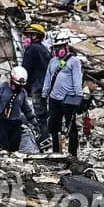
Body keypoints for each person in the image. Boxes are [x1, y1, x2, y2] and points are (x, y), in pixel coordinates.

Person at [42, 29, 83, 157]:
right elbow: (48, 78)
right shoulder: (53, 61)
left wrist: (78, 97)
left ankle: (72, 153)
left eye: (60, 47)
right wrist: (44, 94)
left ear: (66, 46)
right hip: (54, 99)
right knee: (55, 126)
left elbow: (77, 81)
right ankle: (56, 151)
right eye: (56, 47)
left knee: (71, 127)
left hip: (68, 99)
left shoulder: (74, 61)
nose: (58, 50)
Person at [0, 66, 37, 152]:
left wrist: (34, 123)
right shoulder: (0, 89)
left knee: (14, 147)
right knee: (3, 147)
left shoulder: (22, 93)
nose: (18, 88)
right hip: (1, 122)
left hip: (15, 123)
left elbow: (26, 109)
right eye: (17, 85)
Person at [21, 24, 50, 138]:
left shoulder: (32, 49)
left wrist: (23, 85)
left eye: (29, 35)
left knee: (38, 113)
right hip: (45, 86)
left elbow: (25, 69)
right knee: (43, 112)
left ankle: (43, 136)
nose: (26, 38)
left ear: (35, 36)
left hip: (37, 86)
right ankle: (46, 134)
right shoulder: (43, 49)